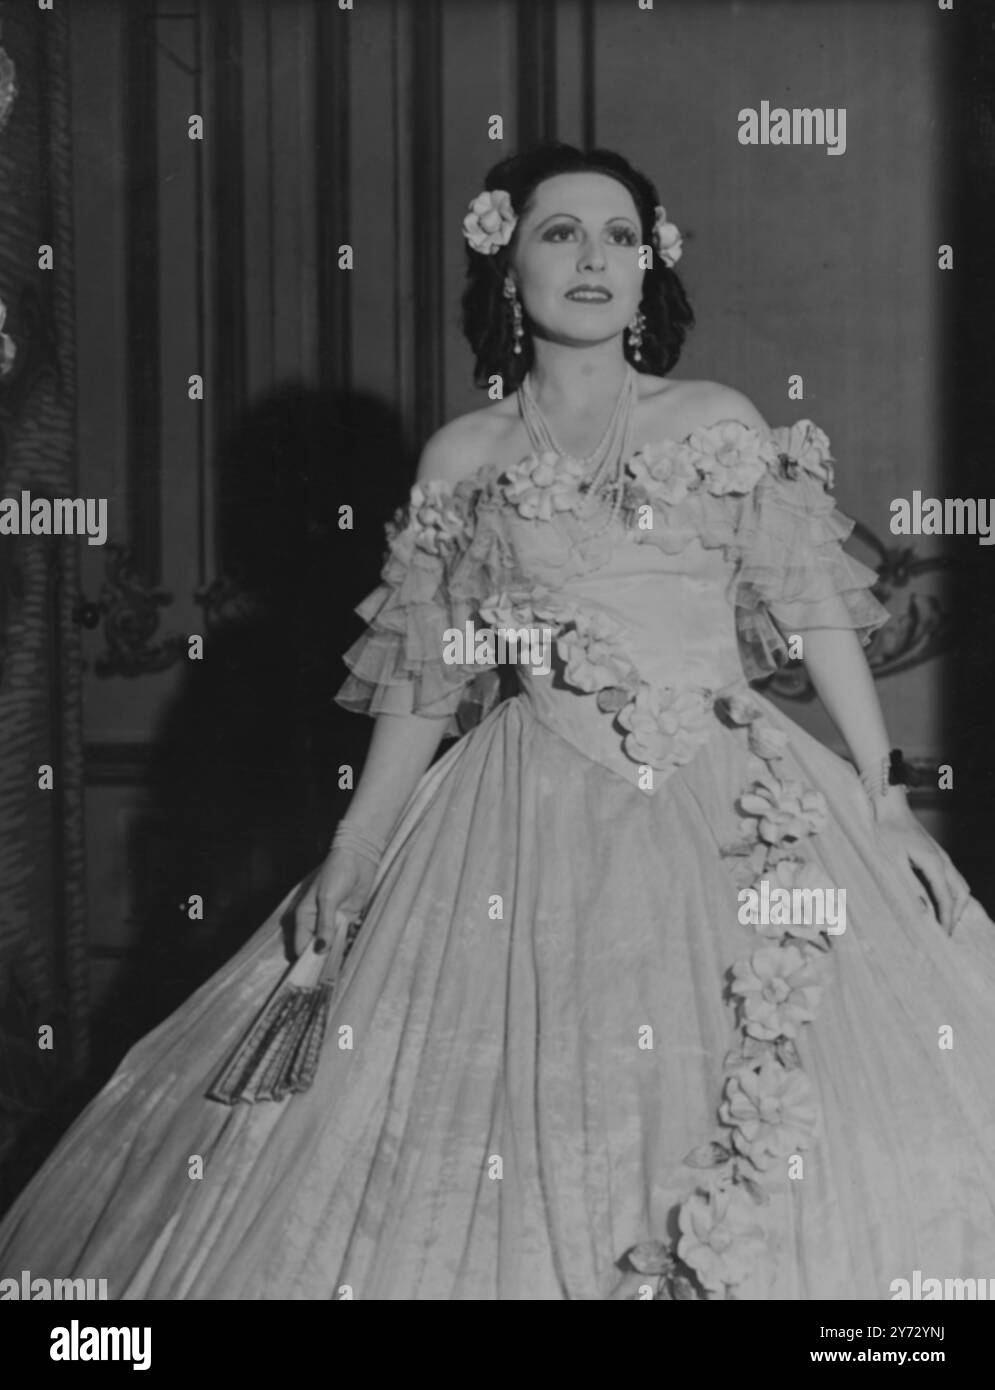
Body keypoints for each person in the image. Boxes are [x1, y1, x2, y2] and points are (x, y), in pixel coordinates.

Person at [2, 141, 994, 1302]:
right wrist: (357, 849)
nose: (592, 258)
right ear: (504, 263)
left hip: (739, 804)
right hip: (521, 817)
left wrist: (883, 806)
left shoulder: (714, 419)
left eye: (619, 236)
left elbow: (817, 615)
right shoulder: (462, 458)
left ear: (649, 268)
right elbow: (427, 680)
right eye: (558, 232)